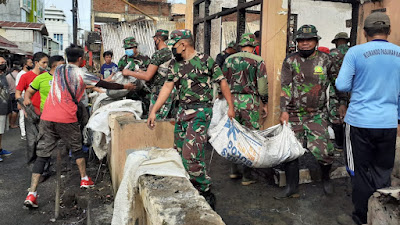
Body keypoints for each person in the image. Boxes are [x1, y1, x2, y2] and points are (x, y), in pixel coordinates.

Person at [23, 44, 135, 208]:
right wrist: (126, 86)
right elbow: (106, 84)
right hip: (66, 117)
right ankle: (84, 178)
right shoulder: (81, 73)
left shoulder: (59, 70)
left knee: (42, 155)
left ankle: (32, 193)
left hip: (47, 117)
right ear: (81, 59)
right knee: (76, 148)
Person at [147, 29, 235, 209]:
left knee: (190, 155)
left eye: (174, 45)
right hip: (182, 111)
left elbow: (222, 82)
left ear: (183, 44)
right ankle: (192, 186)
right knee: (180, 152)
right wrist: (154, 110)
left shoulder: (206, 61)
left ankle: (205, 189)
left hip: (201, 111)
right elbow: (167, 86)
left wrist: (231, 107)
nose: (172, 49)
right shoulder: (174, 64)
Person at [335, 12, 400, 225]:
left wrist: (361, 84)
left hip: (360, 122)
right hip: (388, 122)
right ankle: (380, 218)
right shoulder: (399, 53)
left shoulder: (355, 52)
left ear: (364, 32)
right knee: (383, 171)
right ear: (389, 31)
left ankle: (362, 217)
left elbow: (342, 85)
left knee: (359, 171)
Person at [277, 25, 338, 199]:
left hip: (316, 114)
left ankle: (326, 179)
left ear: (316, 41)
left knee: (324, 151)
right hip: (294, 114)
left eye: (308, 40)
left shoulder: (326, 60)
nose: (304, 43)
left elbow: (336, 84)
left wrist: (339, 104)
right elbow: (286, 87)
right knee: (291, 151)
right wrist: (284, 110)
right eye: (301, 41)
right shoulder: (290, 61)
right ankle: (291, 187)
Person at [222, 33, 268, 186]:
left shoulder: (229, 60)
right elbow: (262, 86)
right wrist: (265, 103)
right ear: (254, 45)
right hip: (250, 102)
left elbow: (222, 81)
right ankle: (247, 176)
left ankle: (234, 170)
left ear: (240, 45)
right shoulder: (258, 60)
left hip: (232, 101)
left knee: (233, 134)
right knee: (249, 137)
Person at [122, 29, 176, 119]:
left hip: (160, 91)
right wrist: (141, 72)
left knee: (155, 119)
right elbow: (158, 72)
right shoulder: (170, 53)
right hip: (171, 89)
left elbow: (147, 77)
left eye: (155, 39)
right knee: (168, 119)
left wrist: (129, 72)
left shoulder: (159, 54)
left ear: (157, 39)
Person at [16, 52, 48, 165]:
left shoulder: (47, 76)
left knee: (45, 141)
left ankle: (44, 167)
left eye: (47, 63)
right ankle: (32, 165)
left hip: (45, 113)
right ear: (36, 63)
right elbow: (18, 94)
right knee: (32, 142)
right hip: (31, 113)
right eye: (43, 62)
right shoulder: (25, 77)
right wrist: (25, 107)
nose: (45, 65)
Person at [118, 37, 151, 116]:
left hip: (145, 92)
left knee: (146, 113)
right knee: (132, 114)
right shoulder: (123, 60)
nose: (127, 50)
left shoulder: (145, 59)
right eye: (126, 48)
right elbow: (119, 74)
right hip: (130, 93)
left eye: (130, 48)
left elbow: (150, 74)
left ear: (135, 47)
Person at [329, 32, 350, 150]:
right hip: (352, 90)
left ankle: (339, 144)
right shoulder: (353, 51)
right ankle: (349, 143)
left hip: (336, 89)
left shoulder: (332, 54)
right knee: (350, 116)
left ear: (336, 42)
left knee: (336, 117)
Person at [16, 58, 34, 140]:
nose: (32, 64)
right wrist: (19, 102)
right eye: (30, 63)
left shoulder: (29, 73)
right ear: (25, 65)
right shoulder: (21, 74)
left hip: (29, 97)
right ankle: (23, 133)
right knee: (22, 116)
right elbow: (18, 89)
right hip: (22, 97)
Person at [0, 56, 12, 162]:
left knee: (1, 131)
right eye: (1, 62)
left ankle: (0, 149)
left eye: (4, 62)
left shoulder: (3, 76)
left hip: (4, 108)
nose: (4, 64)